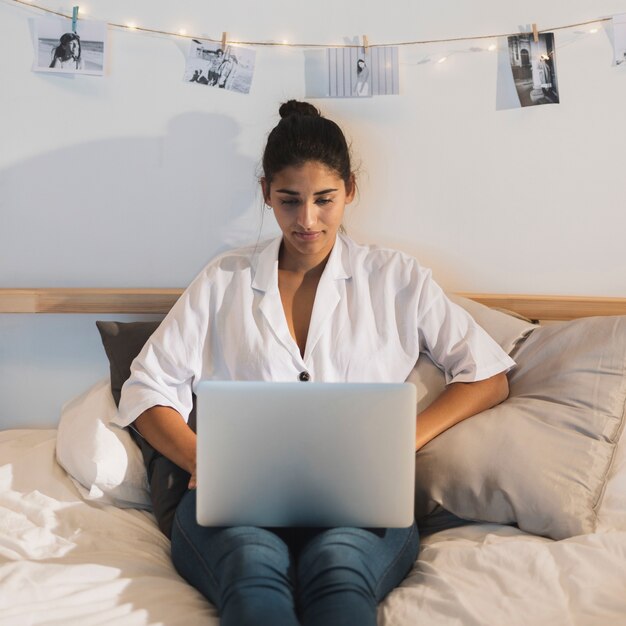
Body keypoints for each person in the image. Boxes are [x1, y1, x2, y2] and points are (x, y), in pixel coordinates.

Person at [116, 99, 514, 626]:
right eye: (289, 200)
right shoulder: (223, 280)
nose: (307, 220)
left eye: (324, 199)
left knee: (339, 573)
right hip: (237, 500)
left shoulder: (396, 279)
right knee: (251, 575)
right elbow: (146, 387)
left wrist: (402, 440)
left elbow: (487, 376)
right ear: (265, 193)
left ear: (350, 189)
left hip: (361, 500)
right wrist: (200, 459)